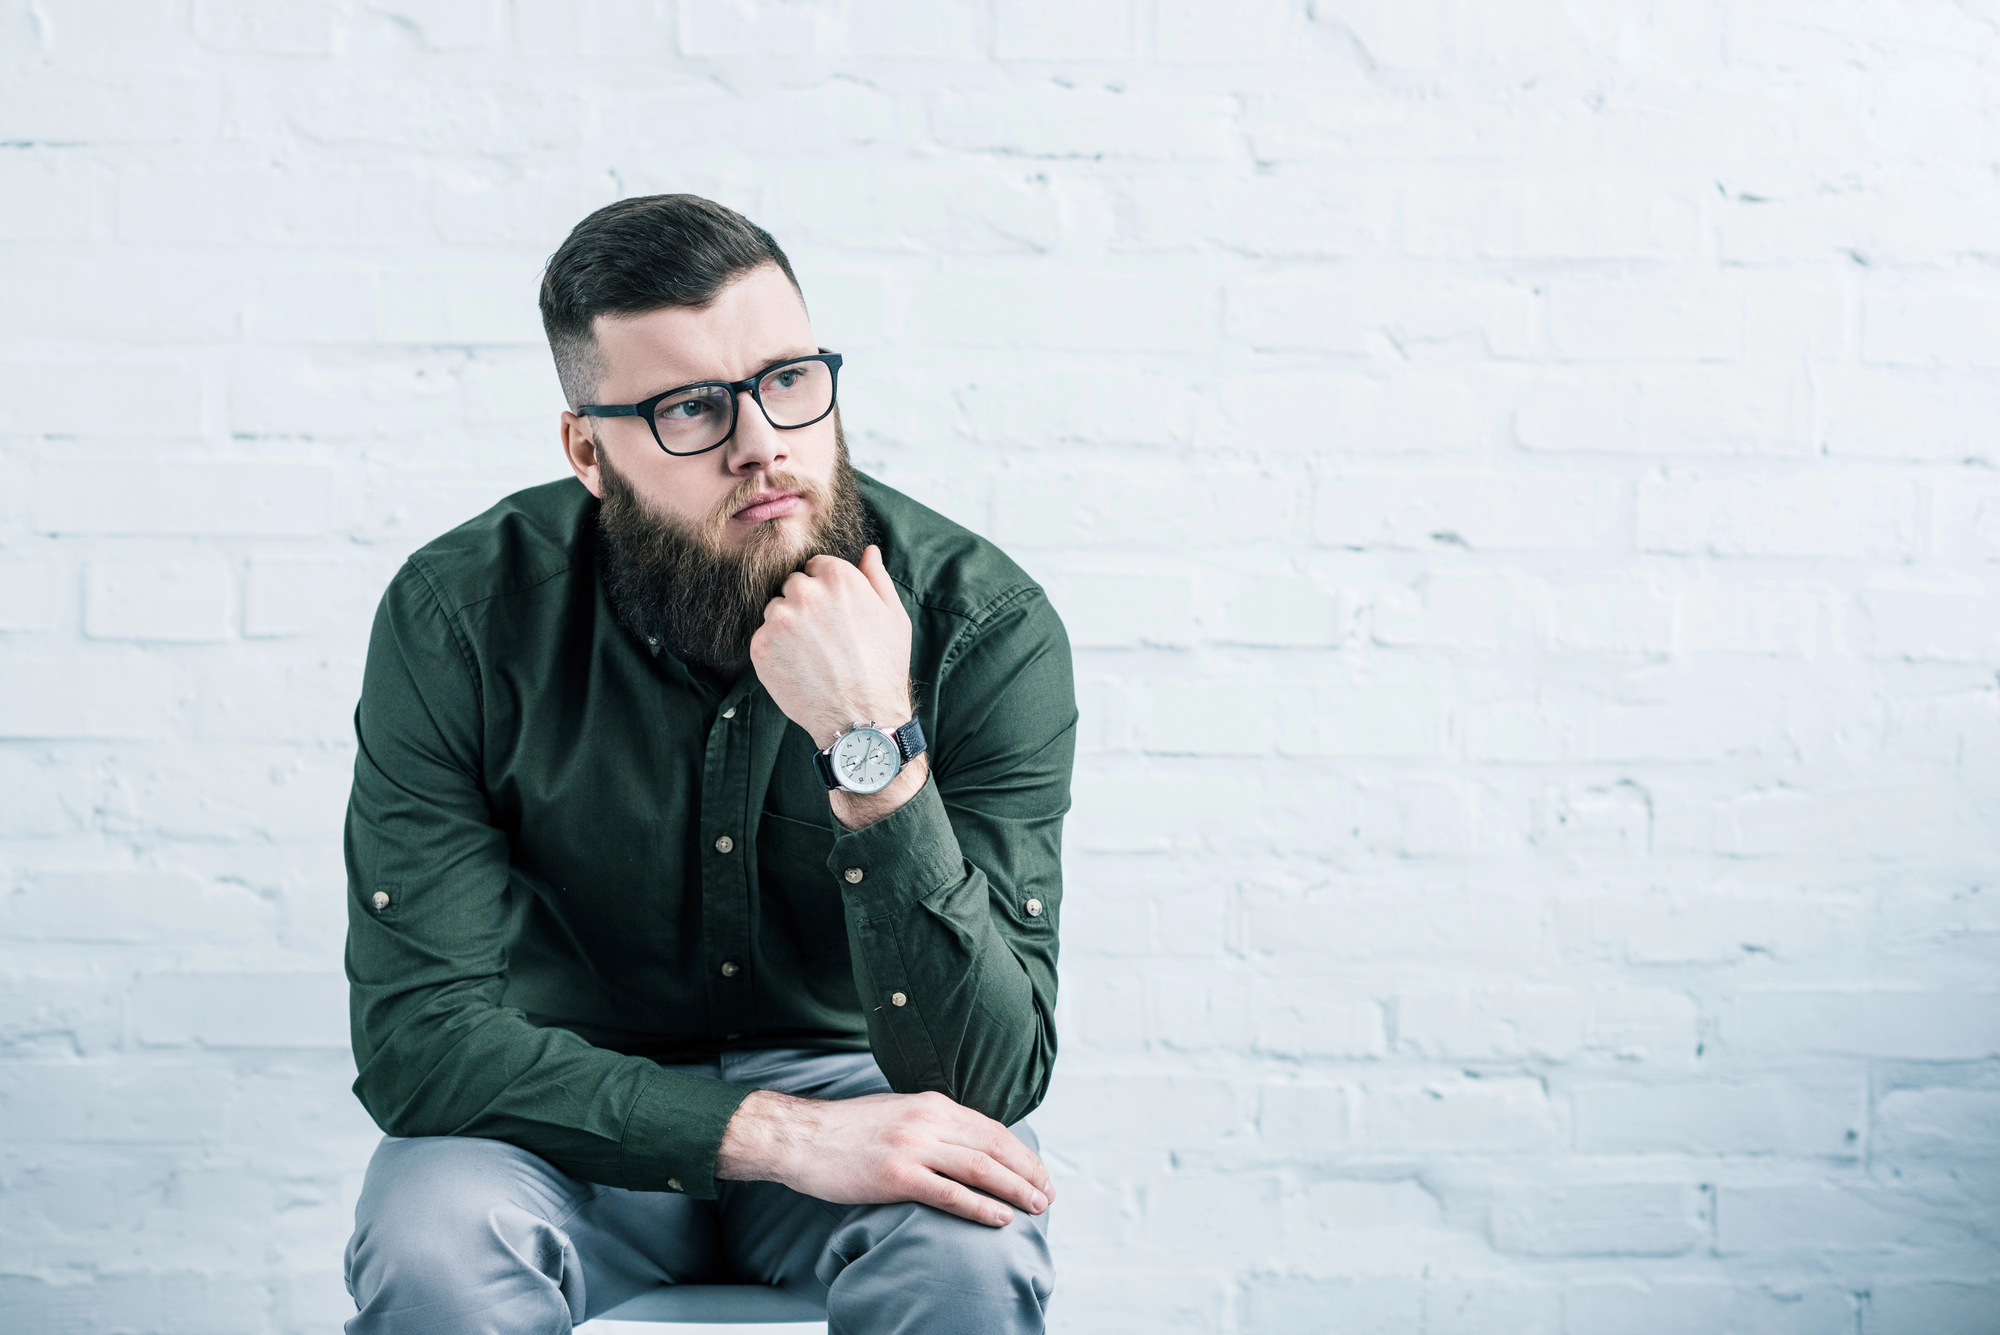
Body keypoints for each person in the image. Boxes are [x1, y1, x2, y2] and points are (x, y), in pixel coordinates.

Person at [339, 195, 1075, 1334]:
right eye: (690, 408)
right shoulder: (463, 616)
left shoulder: (980, 622)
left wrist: (871, 737)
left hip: (867, 1084)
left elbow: (989, 1077)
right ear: (588, 449)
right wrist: (775, 1135)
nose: (762, 445)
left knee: (966, 1250)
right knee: (432, 1243)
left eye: (788, 379)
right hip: (560, 1104)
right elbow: (417, 1040)